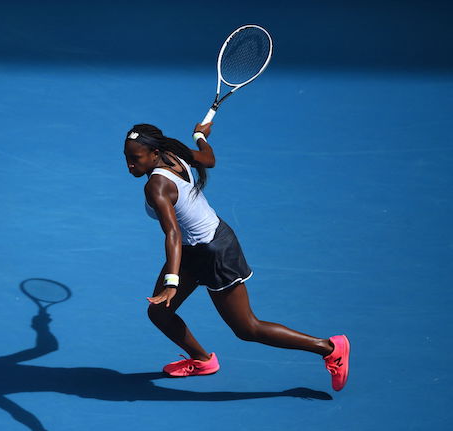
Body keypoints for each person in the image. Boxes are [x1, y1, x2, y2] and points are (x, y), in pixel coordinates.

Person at [124, 122, 350, 391]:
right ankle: (202, 360)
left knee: (247, 328)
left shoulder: (156, 186)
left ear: (153, 153)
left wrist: (172, 281)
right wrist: (200, 137)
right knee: (159, 313)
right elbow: (209, 160)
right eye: (126, 158)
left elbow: (171, 233)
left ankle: (329, 347)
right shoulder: (176, 153)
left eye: (135, 158)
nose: (129, 165)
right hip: (191, 250)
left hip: (215, 252)